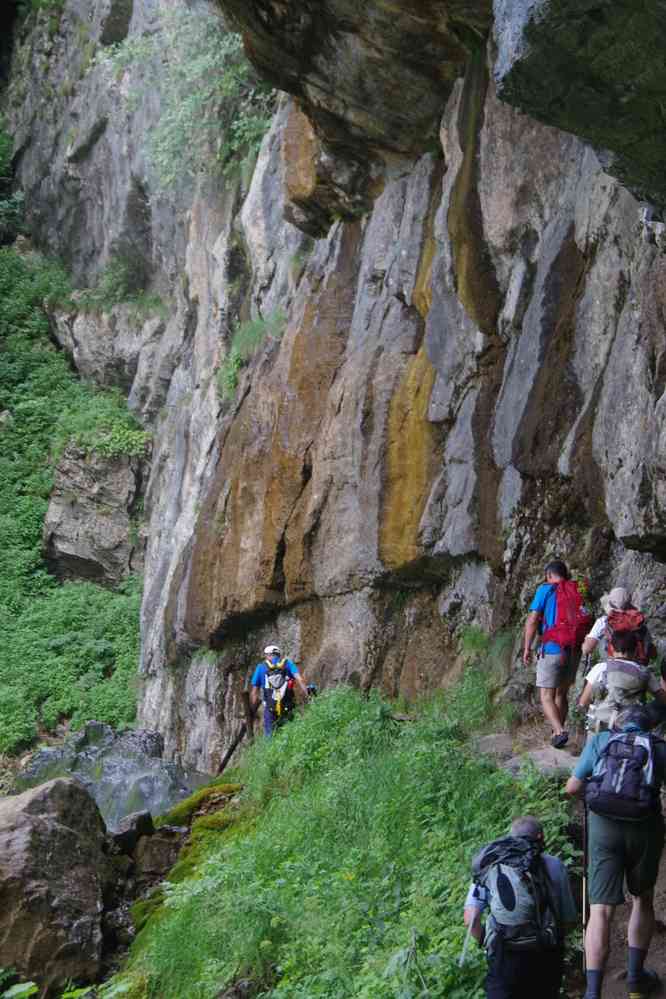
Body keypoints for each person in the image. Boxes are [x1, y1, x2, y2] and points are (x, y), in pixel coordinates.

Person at [565, 705, 666, 999]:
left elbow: (572, 788)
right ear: (649, 728)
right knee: (642, 900)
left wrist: (598, 797)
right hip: (645, 828)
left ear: (617, 723)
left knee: (600, 911)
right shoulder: (658, 747)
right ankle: (635, 980)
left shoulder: (601, 740)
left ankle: (593, 993)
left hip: (603, 828)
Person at [463, 815, 577, 999]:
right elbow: (568, 920)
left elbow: (470, 918)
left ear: (511, 837)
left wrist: (486, 941)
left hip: (504, 954)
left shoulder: (492, 864)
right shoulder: (554, 865)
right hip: (544, 953)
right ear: (540, 836)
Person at [523, 559, 590, 748]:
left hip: (552, 649)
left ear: (549, 575)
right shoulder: (577, 589)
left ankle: (559, 731)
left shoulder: (545, 589)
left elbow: (533, 620)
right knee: (562, 694)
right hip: (573, 650)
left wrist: (527, 647)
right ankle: (556, 735)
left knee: (546, 695)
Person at [577, 630, 666, 735]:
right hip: (630, 731)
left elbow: (583, 702)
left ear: (611, 648)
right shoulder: (645, 673)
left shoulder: (601, 668)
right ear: (636, 649)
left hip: (600, 729)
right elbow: (663, 699)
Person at [582, 586, 656, 666]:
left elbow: (587, 650)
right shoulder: (638, 621)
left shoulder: (604, 621)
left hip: (613, 668)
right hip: (637, 668)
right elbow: (653, 653)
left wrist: (586, 641)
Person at [250, 644, 310, 736]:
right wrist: (308, 695)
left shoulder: (261, 667)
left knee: (270, 736)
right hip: (288, 704)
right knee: (291, 733)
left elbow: (254, 692)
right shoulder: (288, 663)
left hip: (270, 707)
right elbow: (300, 680)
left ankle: (270, 748)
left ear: (268, 655)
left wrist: (253, 710)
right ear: (278, 654)